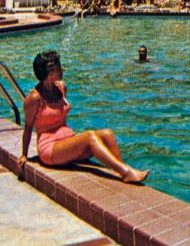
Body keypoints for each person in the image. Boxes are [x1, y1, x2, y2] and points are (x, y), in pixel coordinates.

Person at [17, 50, 149, 183]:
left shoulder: (61, 87)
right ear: (50, 72)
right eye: (59, 67)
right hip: (50, 149)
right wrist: (24, 155)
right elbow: (28, 128)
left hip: (68, 143)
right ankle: (126, 173)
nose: (63, 69)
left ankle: (121, 171)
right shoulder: (34, 98)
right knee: (89, 136)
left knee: (107, 134)